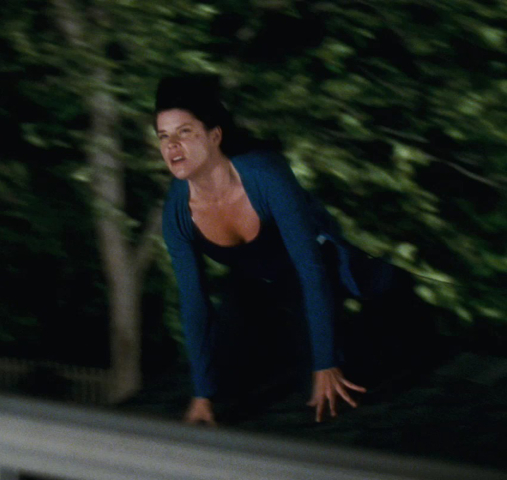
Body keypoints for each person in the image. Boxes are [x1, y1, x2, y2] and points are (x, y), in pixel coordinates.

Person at [156, 75, 367, 425]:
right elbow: (194, 302)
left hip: (312, 272)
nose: (172, 145)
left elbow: (311, 268)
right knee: (228, 388)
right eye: (163, 136)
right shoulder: (177, 213)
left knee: (322, 390)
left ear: (214, 136)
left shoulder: (265, 175)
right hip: (255, 286)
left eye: (185, 132)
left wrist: (326, 362)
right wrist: (202, 393)